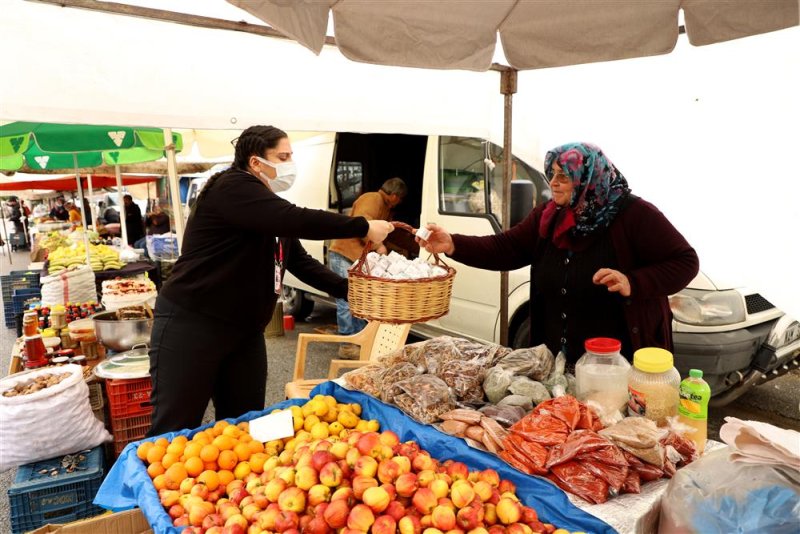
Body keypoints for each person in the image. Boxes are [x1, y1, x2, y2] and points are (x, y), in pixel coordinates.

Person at [147, 125, 394, 435]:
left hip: (244, 330)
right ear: (255, 162)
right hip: (193, 323)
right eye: (283, 156)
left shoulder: (267, 205)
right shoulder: (232, 188)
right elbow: (298, 219)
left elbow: (299, 262)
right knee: (174, 426)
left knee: (247, 422)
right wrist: (361, 226)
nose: (291, 163)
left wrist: (351, 291)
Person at [418, 142, 699, 363]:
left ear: (589, 178)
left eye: (563, 176)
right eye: (551, 174)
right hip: (559, 353)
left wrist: (633, 282)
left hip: (617, 360)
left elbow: (685, 261)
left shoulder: (636, 215)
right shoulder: (549, 215)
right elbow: (507, 248)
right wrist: (453, 244)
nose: (553, 182)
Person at [327, 178, 407, 354]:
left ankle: (359, 340)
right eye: (400, 199)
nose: (399, 203)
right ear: (394, 196)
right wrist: (378, 246)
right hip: (344, 254)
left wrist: (404, 248)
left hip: (356, 258)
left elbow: (387, 235)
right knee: (346, 299)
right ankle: (347, 345)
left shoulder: (385, 208)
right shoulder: (373, 199)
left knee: (358, 300)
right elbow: (363, 224)